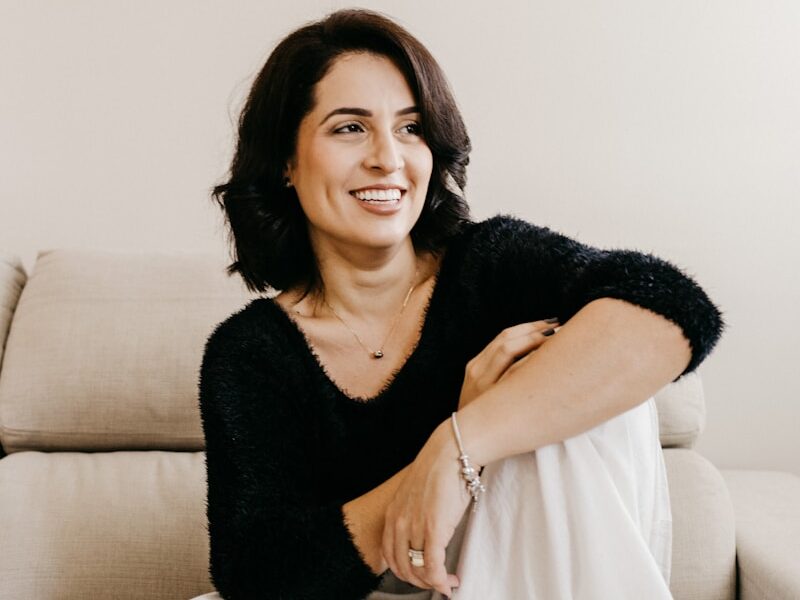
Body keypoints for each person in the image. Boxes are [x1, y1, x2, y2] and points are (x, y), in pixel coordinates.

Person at [194, 8, 724, 600]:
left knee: (575, 376)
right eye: (349, 128)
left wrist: (464, 441)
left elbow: (675, 311)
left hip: (533, 576)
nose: (387, 158)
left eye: (411, 128)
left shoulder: (492, 264)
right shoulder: (251, 353)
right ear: (286, 162)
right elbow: (257, 571)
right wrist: (431, 472)